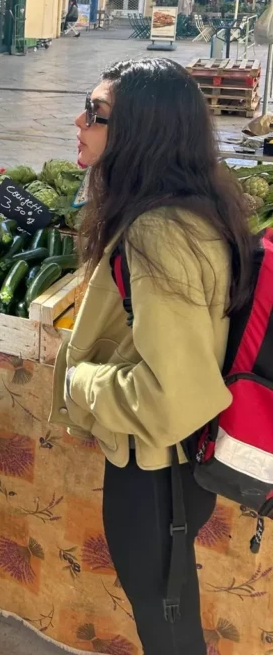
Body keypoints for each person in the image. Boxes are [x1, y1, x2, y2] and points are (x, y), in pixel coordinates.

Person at [52, 58, 254, 655]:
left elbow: (172, 397)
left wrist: (79, 381)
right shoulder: (194, 207)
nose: (79, 122)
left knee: (165, 621)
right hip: (177, 464)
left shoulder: (158, 230)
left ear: (144, 130)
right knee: (169, 605)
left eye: (97, 113)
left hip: (154, 468)